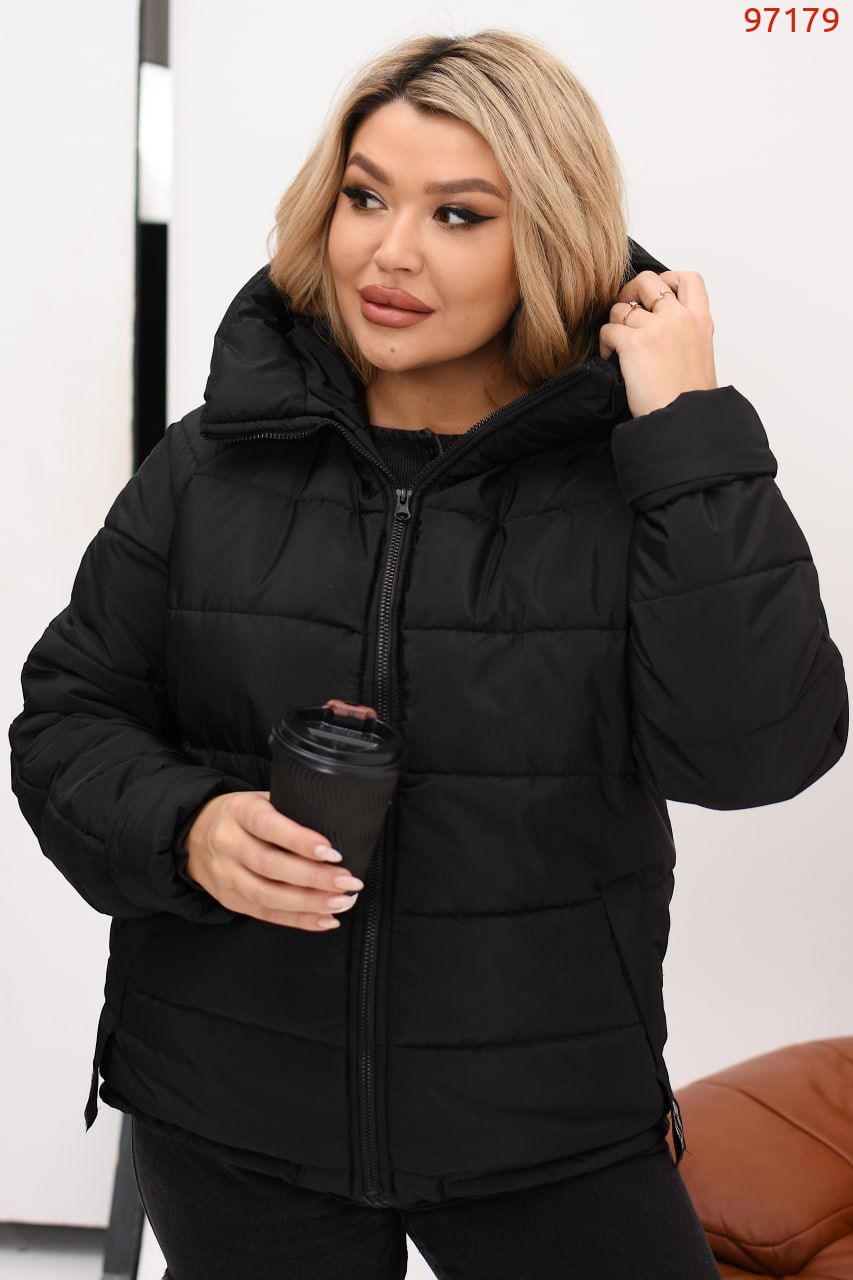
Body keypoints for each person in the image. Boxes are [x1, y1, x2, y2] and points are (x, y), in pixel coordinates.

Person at [9, 28, 847, 1280]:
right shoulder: (209, 465)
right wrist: (188, 828)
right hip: (230, 1112)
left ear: (550, 236)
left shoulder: (639, 477)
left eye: (459, 214)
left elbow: (751, 755)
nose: (389, 251)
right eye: (364, 197)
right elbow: (66, 718)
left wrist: (687, 425)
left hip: (548, 1123)